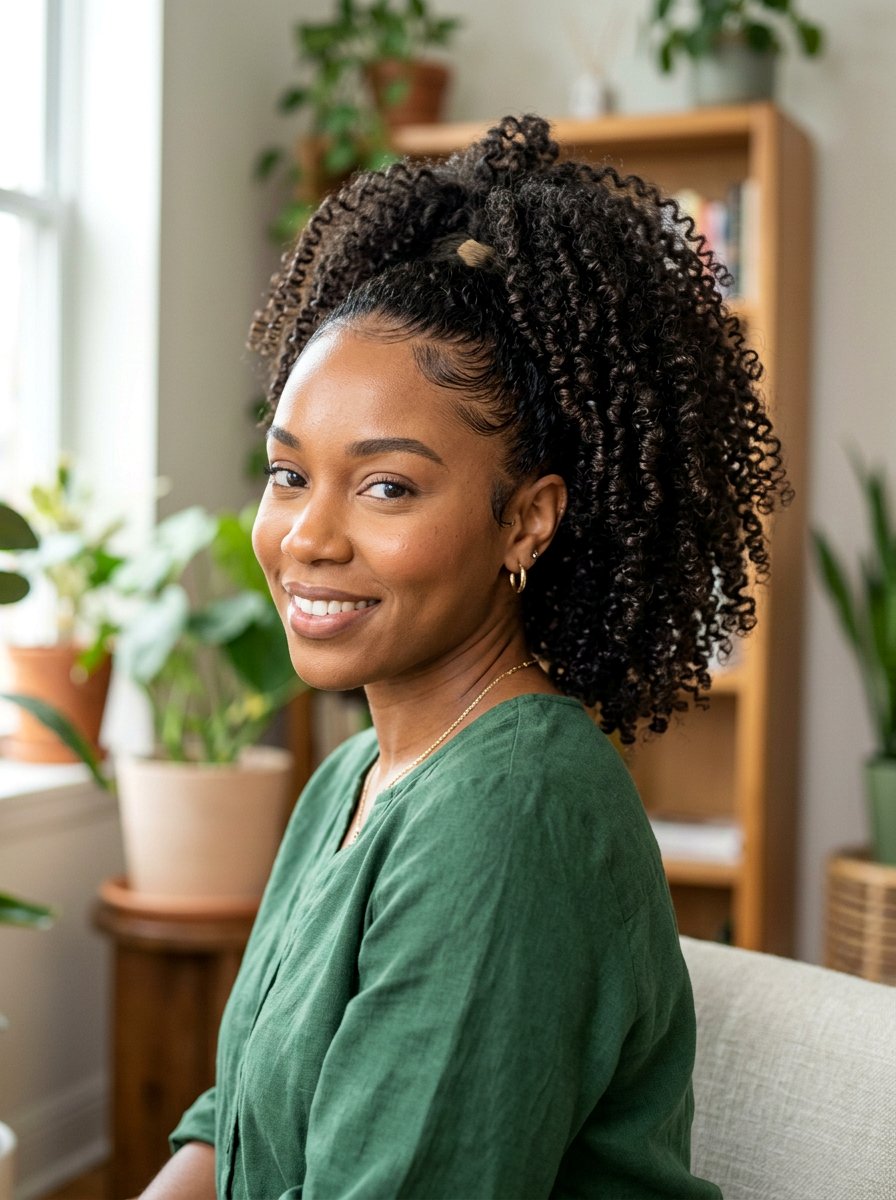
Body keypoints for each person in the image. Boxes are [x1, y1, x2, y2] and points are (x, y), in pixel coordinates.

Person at [142, 112, 792, 1198]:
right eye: (290, 473)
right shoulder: (355, 774)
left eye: (387, 484)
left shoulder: (511, 814)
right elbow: (235, 1123)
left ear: (526, 521)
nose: (307, 535)